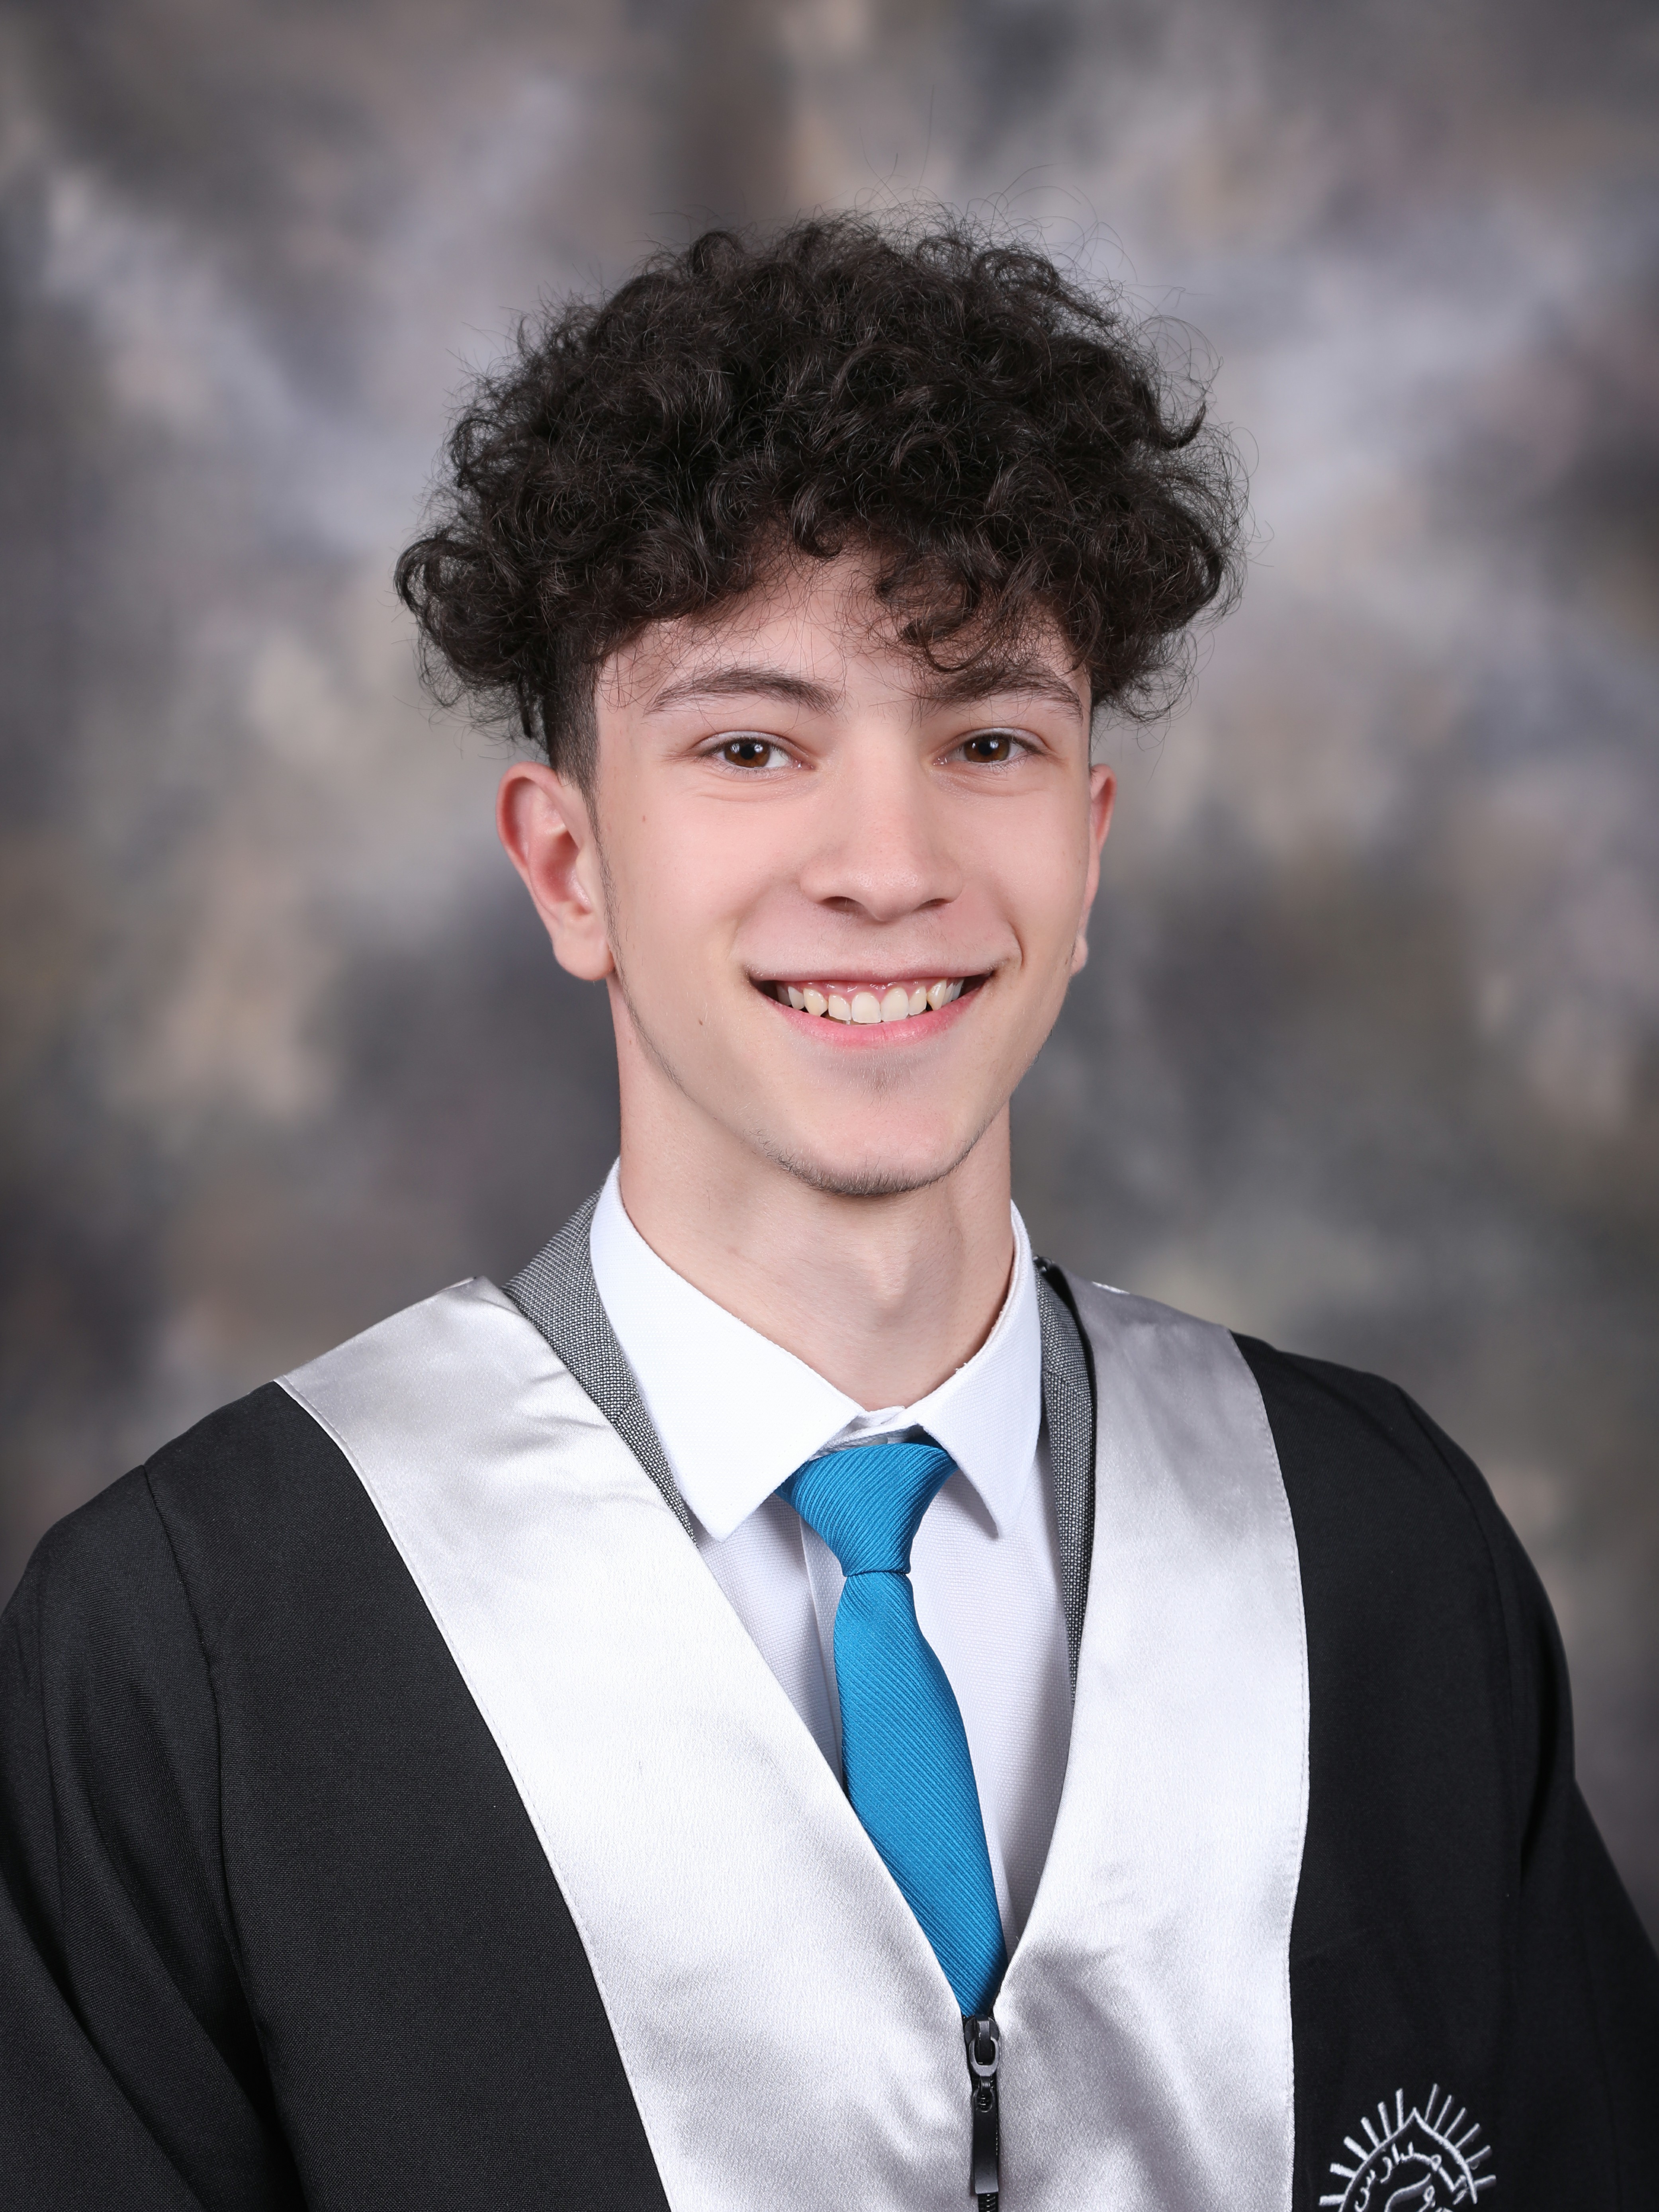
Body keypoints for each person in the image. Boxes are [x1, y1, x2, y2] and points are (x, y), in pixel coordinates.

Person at [1, 215, 1654, 2212]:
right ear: (569, 866)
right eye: (750, 744)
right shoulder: (199, 1652)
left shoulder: (1373, 1555)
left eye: (987, 738)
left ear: (1088, 847)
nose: (887, 864)